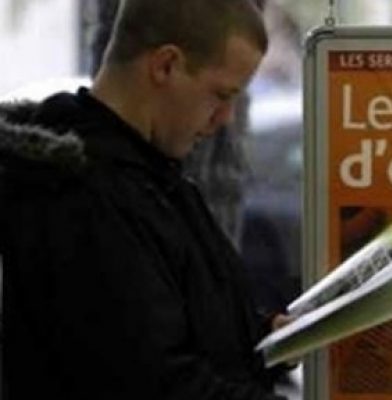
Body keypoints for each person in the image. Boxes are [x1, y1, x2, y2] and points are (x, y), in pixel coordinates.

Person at [0, 0, 291, 399]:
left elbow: (185, 321)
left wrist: (264, 336)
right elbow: (155, 381)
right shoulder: (81, 196)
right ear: (166, 65)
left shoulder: (149, 173)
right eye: (221, 94)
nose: (225, 117)